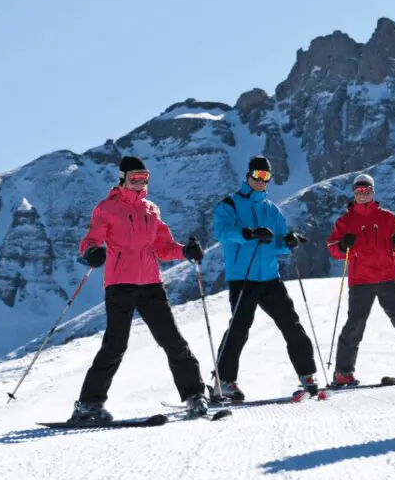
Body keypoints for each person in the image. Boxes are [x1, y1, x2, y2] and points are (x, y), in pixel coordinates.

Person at [73, 156, 208, 421]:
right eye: (134, 177)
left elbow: (163, 248)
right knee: (115, 345)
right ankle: (88, 405)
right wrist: (91, 252)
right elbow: (92, 239)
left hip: (151, 283)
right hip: (120, 284)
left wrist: (185, 251)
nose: (140, 182)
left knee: (173, 341)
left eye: (144, 177)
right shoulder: (107, 209)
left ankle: (195, 396)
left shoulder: (151, 210)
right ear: (122, 178)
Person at [212, 155, 318, 401]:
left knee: (291, 324)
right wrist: (249, 234)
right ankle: (224, 382)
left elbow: (279, 243)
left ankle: (307, 376)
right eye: (257, 175)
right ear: (248, 175)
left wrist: (289, 241)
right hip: (243, 277)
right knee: (239, 328)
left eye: (266, 176)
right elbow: (223, 233)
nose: (261, 180)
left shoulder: (272, 210)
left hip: (270, 277)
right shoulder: (229, 205)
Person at [326, 173, 395, 387]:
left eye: (366, 190)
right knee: (354, 325)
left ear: (372, 192)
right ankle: (343, 372)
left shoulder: (387, 218)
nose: (362, 194)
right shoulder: (345, 221)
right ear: (354, 193)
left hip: (387, 277)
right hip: (360, 280)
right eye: (359, 190)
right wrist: (343, 245)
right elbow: (333, 249)